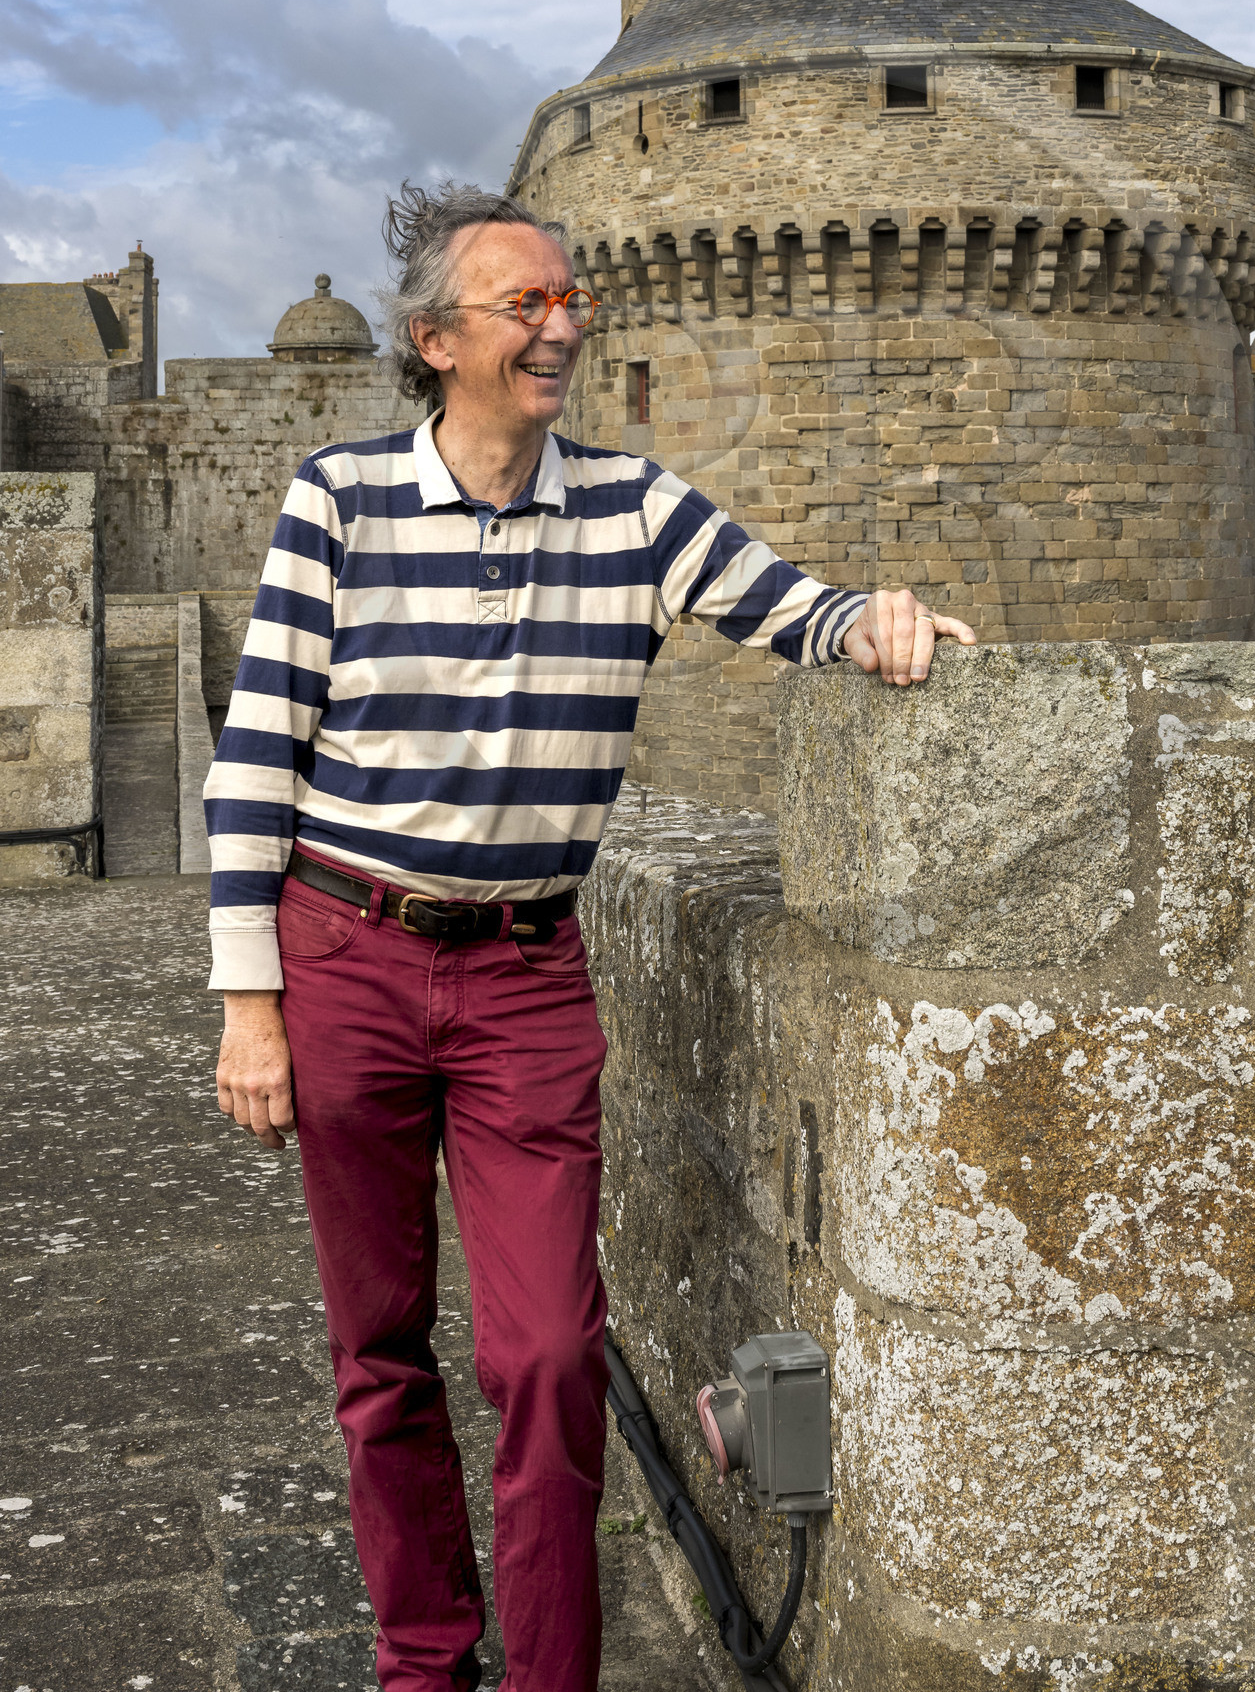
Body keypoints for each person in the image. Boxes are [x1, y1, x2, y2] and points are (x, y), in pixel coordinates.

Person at [208, 182, 974, 1692]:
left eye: (571, 301)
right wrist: (251, 1000)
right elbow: (256, 756)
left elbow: (782, 607)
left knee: (548, 1354)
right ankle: (425, 1656)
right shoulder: (340, 499)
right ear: (434, 341)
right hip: (347, 951)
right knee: (381, 1352)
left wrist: (873, 620)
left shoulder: (632, 508)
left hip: (523, 978)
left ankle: (551, 1677)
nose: (562, 327)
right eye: (526, 305)